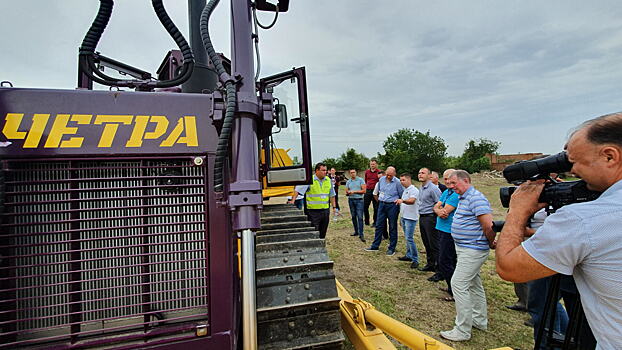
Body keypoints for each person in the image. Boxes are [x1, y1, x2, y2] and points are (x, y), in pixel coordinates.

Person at [496, 113, 622, 349]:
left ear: (610, 156)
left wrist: (517, 212)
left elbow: (508, 267)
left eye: (574, 161)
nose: (571, 171)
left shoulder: (587, 219)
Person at [440, 170, 494, 342]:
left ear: (466, 180)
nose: (451, 186)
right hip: (464, 248)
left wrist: (490, 242)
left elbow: (489, 226)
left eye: (454, 183)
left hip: (473, 249)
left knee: (458, 283)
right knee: (473, 283)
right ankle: (479, 320)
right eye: (449, 184)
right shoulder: (463, 197)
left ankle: (462, 330)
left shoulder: (476, 198)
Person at [289, 162, 336, 239]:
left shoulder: (328, 180)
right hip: (313, 212)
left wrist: (334, 207)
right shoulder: (310, 180)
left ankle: (321, 245)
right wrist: (292, 201)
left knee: (323, 232)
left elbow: (332, 195)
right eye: (323, 170)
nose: (325, 172)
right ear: (317, 170)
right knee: (314, 232)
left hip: (325, 211)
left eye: (326, 170)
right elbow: (298, 190)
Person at [364, 166, 403, 255]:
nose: (388, 177)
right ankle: (375, 245)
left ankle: (392, 248)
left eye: (390, 175)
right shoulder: (381, 180)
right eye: (387, 175)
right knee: (379, 225)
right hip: (382, 204)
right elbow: (377, 192)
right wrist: (380, 201)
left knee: (392, 226)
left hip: (392, 206)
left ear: (394, 174)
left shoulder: (397, 182)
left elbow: (401, 195)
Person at [433, 169, 459, 300]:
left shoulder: (456, 194)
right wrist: (438, 210)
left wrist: (439, 209)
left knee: (445, 261)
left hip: (450, 231)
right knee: (448, 260)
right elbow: (436, 207)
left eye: (449, 178)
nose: (447, 181)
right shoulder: (445, 192)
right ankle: (451, 287)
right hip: (441, 229)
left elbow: (446, 210)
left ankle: (455, 291)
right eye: (445, 179)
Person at [417, 168, 442, 274]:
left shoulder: (433, 189)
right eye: (419, 173)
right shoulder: (421, 188)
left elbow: (440, 203)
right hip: (422, 217)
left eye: (423, 173)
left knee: (434, 244)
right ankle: (430, 264)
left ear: (429, 175)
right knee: (426, 242)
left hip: (431, 218)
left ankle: (439, 269)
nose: (420, 175)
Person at [396, 173, 420, 268]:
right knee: (407, 238)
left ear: (409, 180)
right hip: (404, 217)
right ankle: (409, 255)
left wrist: (402, 201)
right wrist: (401, 217)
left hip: (411, 218)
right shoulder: (405, 190)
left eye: (403, 180)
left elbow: (412, 201)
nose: (401, 182)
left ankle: (415, 259)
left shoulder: (414, 190)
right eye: (400, 180)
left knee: (409, 238)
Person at [345, 169, 366, 242]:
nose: (352, 174)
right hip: (351, 200)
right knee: (353, 216)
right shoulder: (348, 181)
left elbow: (364, 191)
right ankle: (356, 231)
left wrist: (354, 191)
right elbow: (346, 191)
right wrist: (348, 192)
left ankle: (361, 233)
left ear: (356, 173)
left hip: (359, 200)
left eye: (353, 172)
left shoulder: (360, 180)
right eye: (351, 173)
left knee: (360, 217)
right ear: (349, 174)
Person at [364, 159, 381, 226]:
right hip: (368, 190)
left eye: (373, 164)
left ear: (376, 164)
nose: (372, 165)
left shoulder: (379, 172)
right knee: (365, 206)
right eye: (371, 164)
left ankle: (375, 222)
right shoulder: (367, 172)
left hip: (376, 191)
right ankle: (366, 221)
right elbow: (366, 180)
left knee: (376, 207)